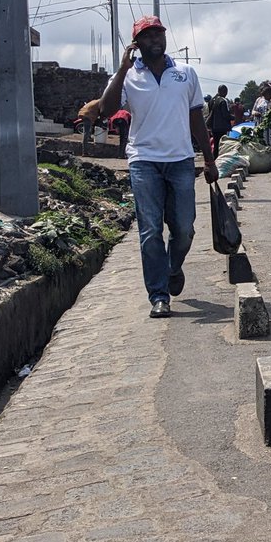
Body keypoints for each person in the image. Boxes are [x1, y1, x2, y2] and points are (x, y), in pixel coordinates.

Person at [99, 16, 218, 317]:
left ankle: (172, 266)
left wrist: (209, 158)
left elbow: (196, 119)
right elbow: (107, 109)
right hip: (144, 160)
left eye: (159, 35)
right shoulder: (127, 76)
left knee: (184, 229)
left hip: (180, 160)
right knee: (150, 230)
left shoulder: (185, 73)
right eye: (147, 36)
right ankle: (158, 296)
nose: (155, 40)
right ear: (136, 44)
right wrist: (123, 68)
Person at [208, 85, 233, 159]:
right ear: (223, 91)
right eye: (226, 92)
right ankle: (221, 159)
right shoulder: (223, 101)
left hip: (214, 126)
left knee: (216, 145)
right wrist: (233, 117)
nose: (226, 94)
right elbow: (225, 115)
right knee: (222, 145)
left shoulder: (212, 100)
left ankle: (214, 159)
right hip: (222, 127)